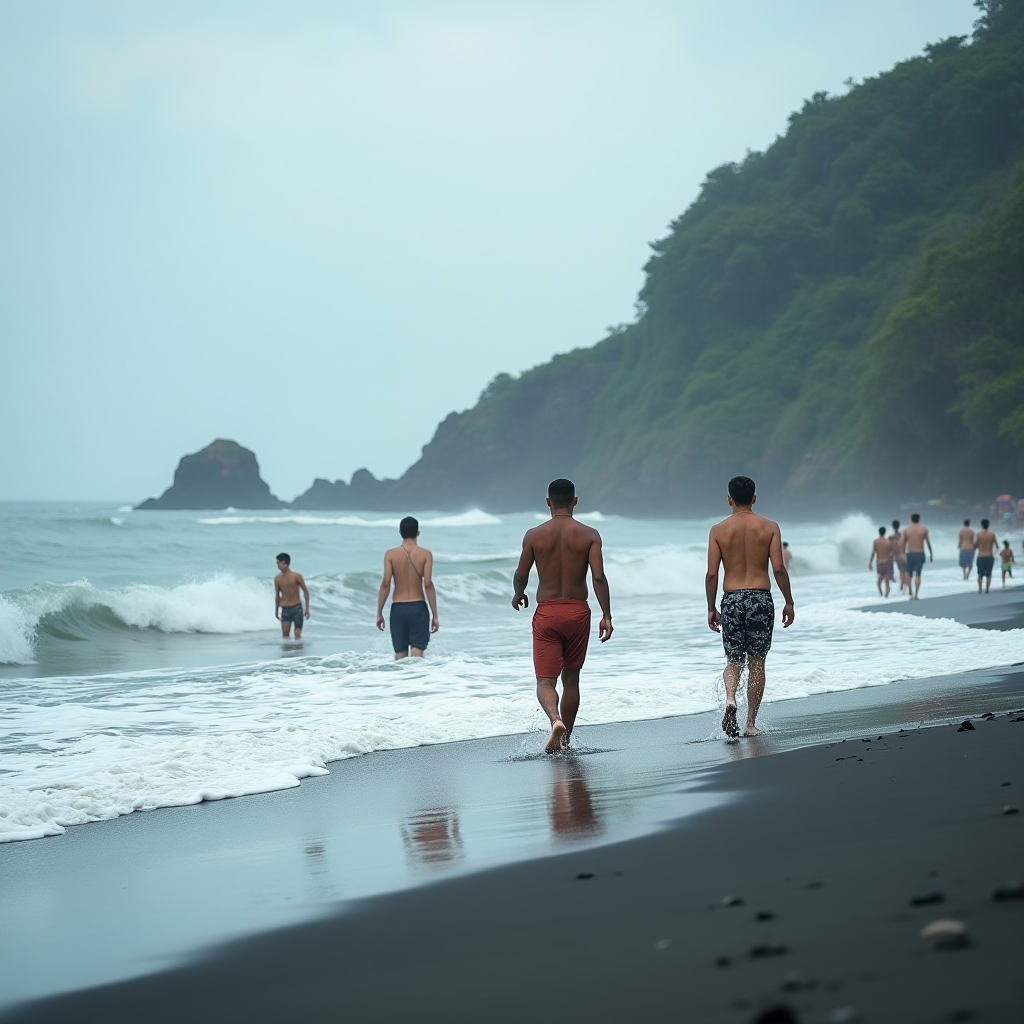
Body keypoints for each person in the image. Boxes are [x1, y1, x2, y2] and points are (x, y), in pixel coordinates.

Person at [512, 479, 613, 753]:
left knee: (545, 681)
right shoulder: (590, 534)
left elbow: (521, 574)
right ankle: (565, 740)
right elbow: (599, 577)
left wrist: (518, 593)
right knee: (572, 679)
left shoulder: (533, 535)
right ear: (575, 501)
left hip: (547, 613)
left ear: (548, 502)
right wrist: (607, 614)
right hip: (578, 612)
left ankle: (555, 720)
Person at [706, 476, 795, 738]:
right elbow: (778, 567)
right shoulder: (769, 527)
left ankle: (731, 697)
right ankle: (750, 724)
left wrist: (711, 606)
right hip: (760, 598)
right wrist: (789, 601)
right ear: (754, 498)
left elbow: (712, 574)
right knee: (757, 662)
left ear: (729, 499)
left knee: (734, 660)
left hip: (731, 598)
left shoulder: (718, 530)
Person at [376, 516, 440, 658]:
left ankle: (401, 680)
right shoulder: (426, 554)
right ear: (418, 533)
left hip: (398, 609)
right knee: (417, 652)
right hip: (418, 608)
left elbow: (385, 583)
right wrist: (435, 615)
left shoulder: (390, 554)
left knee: (400, 653)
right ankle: (416, 680)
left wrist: (379, 612)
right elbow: (428, 584)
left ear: (400, 532)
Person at [274, 553, 310, 638]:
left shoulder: (296, 576)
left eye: (278, 563)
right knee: (285, 636)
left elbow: (306, 591)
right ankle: (288, 651)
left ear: (284, 562)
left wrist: (307, 609)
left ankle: (298, 650)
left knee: (297, 634)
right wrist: (276, 610)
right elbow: (277, 595)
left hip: (297, 608)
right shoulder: (277, 579)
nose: (277, 565)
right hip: (285, 609)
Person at [902, 513, 932, 600]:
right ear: (919, 519)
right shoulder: (923, 530)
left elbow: (903, 543)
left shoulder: (906, 530)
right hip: (920, 553)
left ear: (911, 520)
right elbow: (928, 542)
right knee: (918, 574)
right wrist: (931, 554)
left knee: (909, 573)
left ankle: (910, 593)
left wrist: (903, 554)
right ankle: (916, 594)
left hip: (910, 553)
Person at [869, 527, 894, 598]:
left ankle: (880, 593)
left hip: (879, 562)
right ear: (885, 532)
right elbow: (891, 553)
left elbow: (873, 552)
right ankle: (886, 593)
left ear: (879, 532)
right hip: (887, 561)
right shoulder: (888, 542)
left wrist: (870, 563)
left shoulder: (875, 542)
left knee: (880, 577)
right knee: (887, 579)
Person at [974, 519, 998, 594]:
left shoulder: (978, 534)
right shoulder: (992, 534)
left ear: (981, 525)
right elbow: (997, 546)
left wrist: (980, 546)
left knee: (980, 574)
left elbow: (975, 545)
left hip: (981, 556)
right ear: (988, 525)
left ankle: (980, 589)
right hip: (989, 556)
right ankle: (987, 589)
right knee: (988, 574)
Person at [890, 520, 908, 593]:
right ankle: (905, 587)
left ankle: (901, 587)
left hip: (897, 556)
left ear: (893, 527)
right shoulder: (903, 536)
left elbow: (891, 548)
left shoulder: (891, 537)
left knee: (901, 571)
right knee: (906, 571)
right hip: (904, 555)